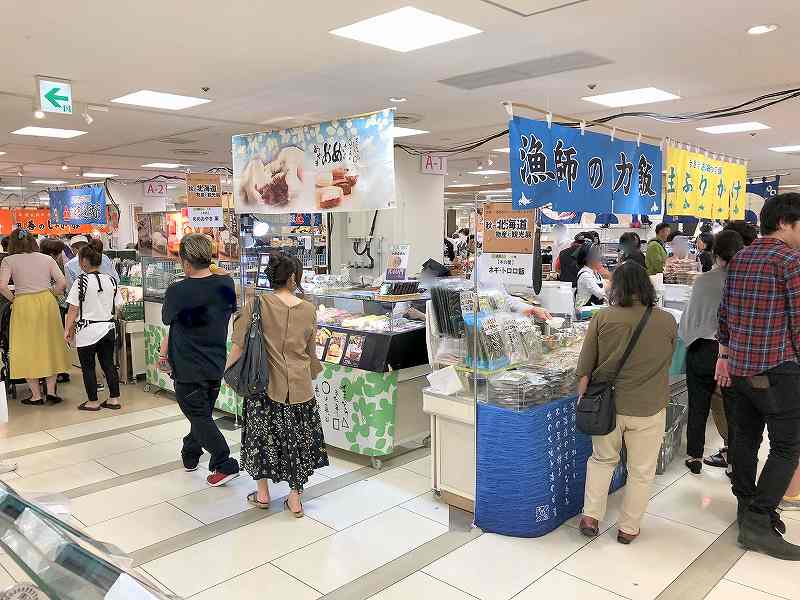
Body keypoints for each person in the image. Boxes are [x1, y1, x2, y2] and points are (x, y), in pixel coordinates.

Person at [716, 193, 800, 560]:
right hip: (778, 370)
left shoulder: (742, 257)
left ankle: (745, 506)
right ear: (784, 223)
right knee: (787, 447)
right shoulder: (791, 261)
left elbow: (724, 314)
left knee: (745, 441)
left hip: (740, 370)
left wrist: (725, 353)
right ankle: (758, 519)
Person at [576, 261, 677, 544]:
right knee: (641, 471)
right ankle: (628, 529)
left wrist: (582, 399)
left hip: (608, 406)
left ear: (616, 286)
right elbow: (667, 362)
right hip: (649, 406)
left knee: (601, 460)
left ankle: (590, 517)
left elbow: (585, 367)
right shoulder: (666, 320)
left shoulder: (603, 318)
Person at [229, 254, 329, 517]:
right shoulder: (308, 309)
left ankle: (262, 494)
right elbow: (310, 351)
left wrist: (229, 373)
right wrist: (314, 372)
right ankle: (295, 500)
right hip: (299, 388)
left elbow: (238, 344)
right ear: (293, 277)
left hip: (262, 387)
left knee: (261, 439)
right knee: (297, 441)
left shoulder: (256, 304)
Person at [161, 234, 240, 487]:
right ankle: (191, 453)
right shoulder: (226, 285)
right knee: (202, 413)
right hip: (216, 361)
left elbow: (168, 320)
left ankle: (224, 462)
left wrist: (163, 355)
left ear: (185, 262)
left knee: (198, 415)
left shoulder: (177, 290)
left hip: (187, 364)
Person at [679, 231, 744, 474]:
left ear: (715, 254)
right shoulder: (742, 281)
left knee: (698, 404)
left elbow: (689, 318)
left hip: (701, 348)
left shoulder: (703, 280)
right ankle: (733, 461)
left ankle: (695, 456)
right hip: (731, 351)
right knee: (733, 408)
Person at [0, 229, 70, 406]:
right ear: (33, 242)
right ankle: (52, 392)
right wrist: (51, 293)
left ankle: (36, 396)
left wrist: (15, 299)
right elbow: (62, 283)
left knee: (26, 347)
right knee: (50, 344)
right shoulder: (46, 259)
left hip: (23, 304)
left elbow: (2, 286)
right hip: (47, 302)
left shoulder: (9, 260)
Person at [64, 239, 122, 411]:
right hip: (108, 328)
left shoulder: (80, 282)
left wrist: (68, 329)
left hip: (87, 331)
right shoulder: (111, 281)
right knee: (108, 365)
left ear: (83, 261)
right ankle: (114, 399)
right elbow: (118, 306)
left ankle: (93, 401)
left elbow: (73, 310)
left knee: (88, 367)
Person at [574, 244, 606, 310]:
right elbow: (600, 293)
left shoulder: (596, 273)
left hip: (594, 308)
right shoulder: (585, 275)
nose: (599, 257)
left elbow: (605, 288)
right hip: (584, 311)